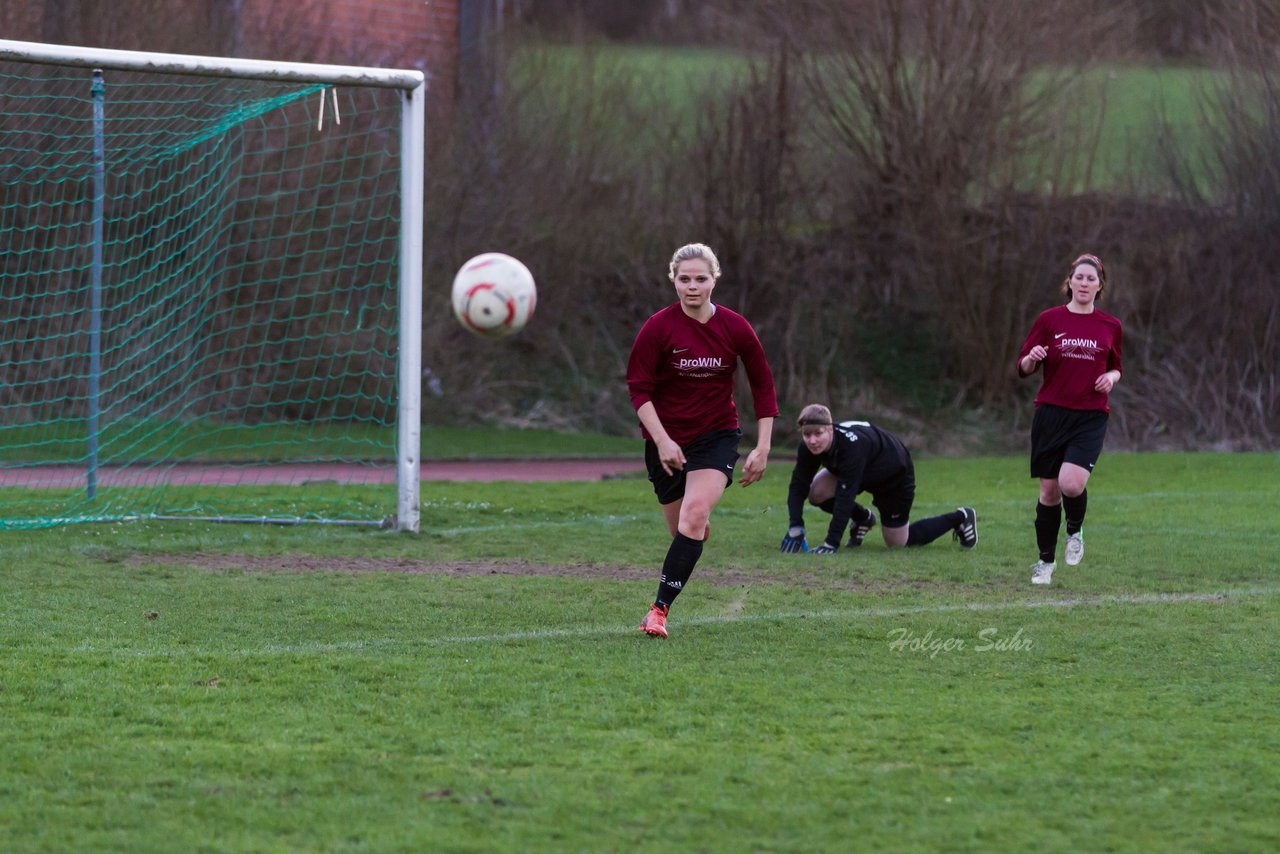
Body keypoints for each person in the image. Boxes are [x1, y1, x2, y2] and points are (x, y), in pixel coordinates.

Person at [627, 243, 779, 638]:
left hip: (716, 436)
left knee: (693, 515)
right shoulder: (658, 328)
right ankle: (693, 529)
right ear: (673, 280)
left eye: (701, 279)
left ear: (714, 280)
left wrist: (763, 446)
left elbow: (763, 386)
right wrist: (661, 441)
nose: (692, 287)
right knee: (684, 529)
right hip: (665, 443)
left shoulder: (735, 327)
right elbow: (639, 391)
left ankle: (658, 610)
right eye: (684, 279)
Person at [1016, 252, 1123, 586]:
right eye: (1080, 277)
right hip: (1051, 414)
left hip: (1089, 416)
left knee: (1071, 484)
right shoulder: (1049, 320)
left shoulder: (1111, 326)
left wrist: (1112, 379)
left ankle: (1074, 531)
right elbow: (1023, 367)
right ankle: (1045, 563)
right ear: (1070, 282)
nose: (1085, 283)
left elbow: (1117, 366)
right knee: (1049, 493)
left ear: (1099, 286)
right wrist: (1032, 358)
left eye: (1091, 279)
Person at [779, 404, 978, 554]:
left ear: (830, 429)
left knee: (898, 543)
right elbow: (798, 485)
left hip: (893, 475)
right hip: (861, 470)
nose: (812, 440)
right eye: (807, 435)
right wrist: (795, 526)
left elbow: (845, 496)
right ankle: (863, 519)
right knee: (816, 492)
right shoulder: (808, 447)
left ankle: (960, 518)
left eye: (818, 434)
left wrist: (831, 544)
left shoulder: (851, 448)